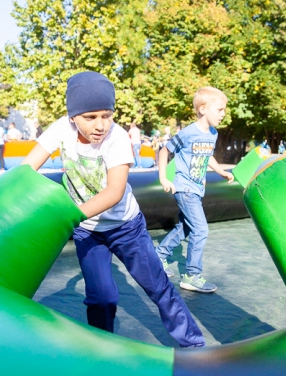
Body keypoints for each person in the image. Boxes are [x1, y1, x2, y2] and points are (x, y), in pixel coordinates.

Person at [21, 71, 204, 348]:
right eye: (90, 117)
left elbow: (114, 192)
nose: (100, 125)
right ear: (73, 116)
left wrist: (68, 217)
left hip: (126, 227)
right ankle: (103, 348)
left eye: (107, 115)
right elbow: (25, 170)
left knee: (157, 286)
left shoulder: (117, 138)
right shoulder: (61, 129)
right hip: (88, 232)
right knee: (101, 297)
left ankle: (193, 343)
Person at [155, 87, 234, 293]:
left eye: (224, 110)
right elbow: (165, 151)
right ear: (202, 109)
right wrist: (164, 177)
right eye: (219, 109)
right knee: (201, 229)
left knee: (186, 227)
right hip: (184, 187)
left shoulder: (213, 134)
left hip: (197, 189)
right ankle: (191, 275)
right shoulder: (188, 132)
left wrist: (220, 171)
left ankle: (159, 255)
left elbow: (207, 156)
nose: (223, 114)